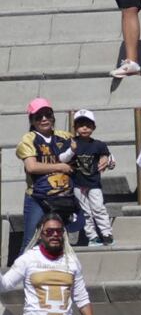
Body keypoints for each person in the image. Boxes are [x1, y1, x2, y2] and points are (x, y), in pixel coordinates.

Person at [0, 213, 97, 315]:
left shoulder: (72, 261)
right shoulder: (28, 259)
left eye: (58, 231)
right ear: (40, 234)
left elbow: (82, 298)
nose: (54, 235)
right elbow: (5, 285)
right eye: (49, 231)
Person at [16, 98, 78, 254]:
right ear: (32, 120)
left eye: (47, 114)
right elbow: (32, 166)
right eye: (38, 116)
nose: (44, 119)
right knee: (30, 243)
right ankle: (20, 278)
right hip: (37, 197)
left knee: (60, 243)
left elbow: (85, 148)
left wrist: (105, 157)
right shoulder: (29, 139)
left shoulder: (64, 136)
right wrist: (60, 166)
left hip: (62, 198)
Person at [70, 109, 115, 246]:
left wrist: (108, 160)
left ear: (94, 127)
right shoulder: (72, 144)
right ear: (75, 127)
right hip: (78, 184)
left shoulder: (99, 145)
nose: (84, 128)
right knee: (85, 212)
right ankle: (92, 236)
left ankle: (107, 233)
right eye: (80, 125)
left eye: (88, 125)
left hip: (94, 183)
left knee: (98, 208)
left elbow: (108, 158)